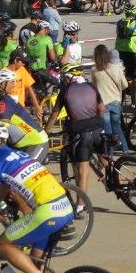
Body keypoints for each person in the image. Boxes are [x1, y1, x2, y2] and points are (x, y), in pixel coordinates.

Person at [0, 119, 73, 273]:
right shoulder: (18, 154)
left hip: (47, 212)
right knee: (36, 263)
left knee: (4, 245)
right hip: (64, 207)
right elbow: (1, 191)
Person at [45, 67, 104, 208]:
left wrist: (45, 132)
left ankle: (80, 206)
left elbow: (55, 114)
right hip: (97, 127)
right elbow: (101, 108)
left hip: (81, 132)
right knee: (104, 159)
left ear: (69, 77)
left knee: (83, 169)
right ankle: (118, 182)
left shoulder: (65, 91)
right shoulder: (91, 86)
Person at [0, 72, 50, 163]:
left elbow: (0, 135)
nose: (14, 85)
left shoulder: (4, 104)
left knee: (24, 170)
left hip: (36, 143)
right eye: (12, 82)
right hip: (18, 146)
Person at [92, 45, 129, 151]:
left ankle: (109, 155)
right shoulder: (115, 67)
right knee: (117, 128)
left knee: (107, 131)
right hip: (116, 101)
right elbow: (125, 85)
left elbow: (94, 87)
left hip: (103, 103)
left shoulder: (94, 70)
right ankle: (125, 151)